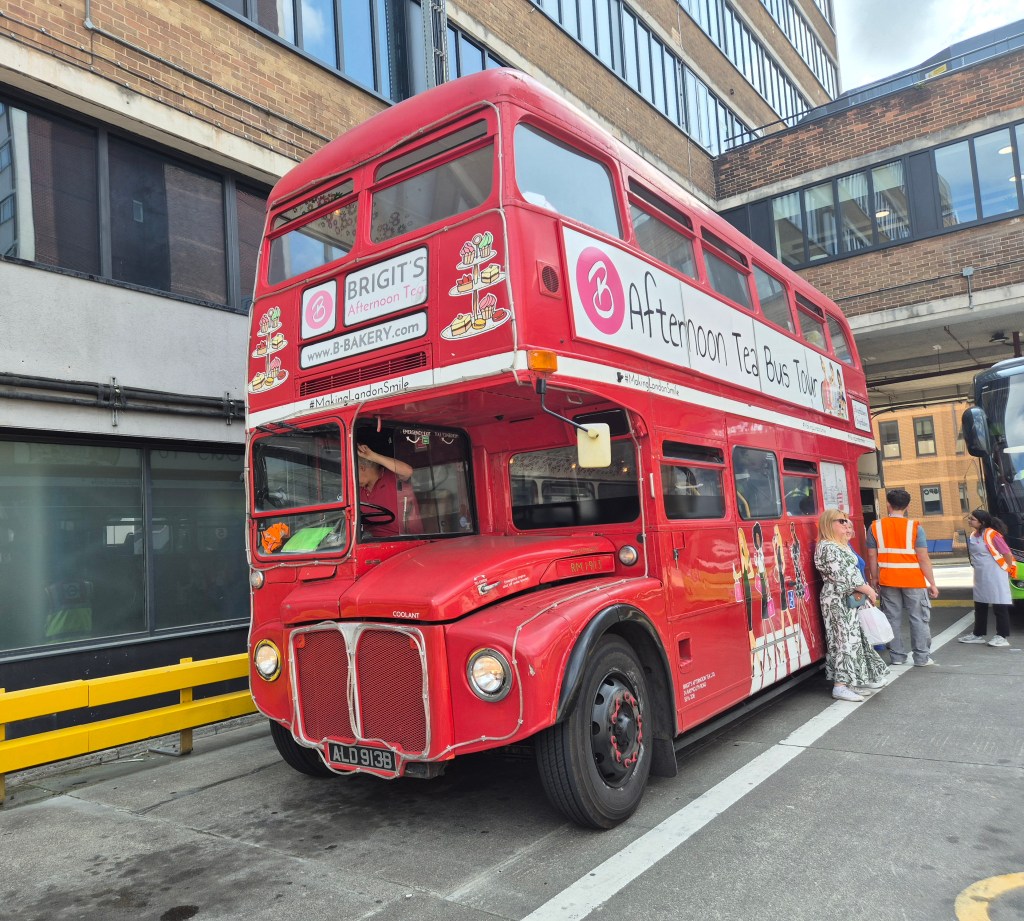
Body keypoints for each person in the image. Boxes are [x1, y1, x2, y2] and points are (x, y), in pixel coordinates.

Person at [813, 508, 889, 701]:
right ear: (828, 524)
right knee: (843, 640)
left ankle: (849, 682)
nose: (847, 525)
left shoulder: (839, 545)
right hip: (838, 599)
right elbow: (844, 576)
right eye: (841, 521)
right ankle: (840, 686)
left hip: (847, 598)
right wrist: (868, 590)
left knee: (853, 640)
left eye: (848, 522)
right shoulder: (827, 546)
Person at [866, 487, 939, 667]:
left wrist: (875, 578)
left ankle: (897, 657)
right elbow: (923, 557)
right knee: (918, 618)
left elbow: (872, 556)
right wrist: (932, 583)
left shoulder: (875, 526)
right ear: (907, 506)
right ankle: (921, 657)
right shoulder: (915, 527)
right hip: (913, 579)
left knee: (892, 618)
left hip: (888, 579)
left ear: (888, 505)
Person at [958, 509, 1014, 647]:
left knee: (999, 604)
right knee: (980, 604)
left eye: (972, 519)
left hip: (995, 573)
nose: (969, 520)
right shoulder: (973, 535)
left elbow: (1006, 553)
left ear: (981, 522)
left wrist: (1008, 569)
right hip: (981, 574)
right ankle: (978, 634)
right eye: (969, 518)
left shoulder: (991, 535)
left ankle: (1002, 635)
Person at [356, 443, 422, 539]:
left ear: (362, 468)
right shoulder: (357, 490)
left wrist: (372, 456)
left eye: (353, 472)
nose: (352, 477)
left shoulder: (392, 476)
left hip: (405, 540)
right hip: (369, 541)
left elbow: (408, 471)